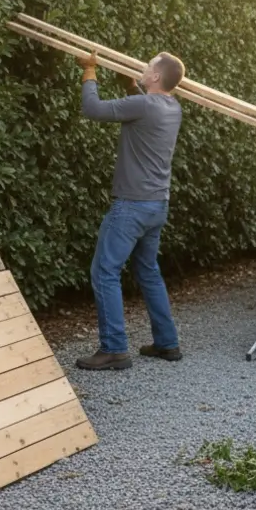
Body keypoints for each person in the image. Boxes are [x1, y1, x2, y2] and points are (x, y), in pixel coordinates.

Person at [72, 48, 185, 371]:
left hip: (132, 206)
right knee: (148, 271)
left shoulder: (144, 104)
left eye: (148, 66)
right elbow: (141, 109)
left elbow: (92, 109)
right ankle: (167, 343)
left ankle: (114, 349)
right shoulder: (171, 107)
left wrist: (90, 70)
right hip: (156, 204)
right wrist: (127, 83)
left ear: (156, 76)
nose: (143, 67)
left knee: (104, 271)